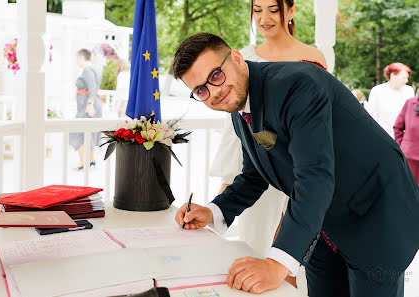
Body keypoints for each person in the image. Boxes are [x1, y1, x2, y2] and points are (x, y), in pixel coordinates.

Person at [173, 32, 419, 297]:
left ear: (236, 58)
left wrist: (276, 264)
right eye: (201, 90)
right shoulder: (239, 107)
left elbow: (314, 177)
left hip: (376, 217)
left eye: (216, 76)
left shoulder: (298, 85)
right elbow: (256, 172)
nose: (213, 92)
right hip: (322, 226)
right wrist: (215, 210)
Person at [209, 0, 326, 290]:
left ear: (291, 10)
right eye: (257, 10)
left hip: (301, 170)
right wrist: (225, 188)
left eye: (273, 9)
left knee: (293, 256)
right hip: (256, 171)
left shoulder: (313, 57)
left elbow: (321, 123)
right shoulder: (243, 57)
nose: (264, 18)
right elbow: (233, 129)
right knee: (254, 244)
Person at [69, 49, 103, 170]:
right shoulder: (94, 69)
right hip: (91, 103)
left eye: (77, 58)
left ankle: (83, 162)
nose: (77, 61)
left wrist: (90, 104)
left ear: (82, 57)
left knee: (77, 131)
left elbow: (92, 87)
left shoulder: (87, 70)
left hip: (88, 105)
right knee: (90, 132)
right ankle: (91, 160)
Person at [365, 63, 414, 138]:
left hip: (403, 139)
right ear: (393, 76)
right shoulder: (377, 91)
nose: (406, 80)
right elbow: (372, 117)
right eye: (403, 78)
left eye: (407, 78)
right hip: (383, 137)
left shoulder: (409, 91)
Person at [394, 95, 419, 185]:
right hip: (409, 159)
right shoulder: (410, 103)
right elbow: (397, 127)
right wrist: (401, 146)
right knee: (409, 191)